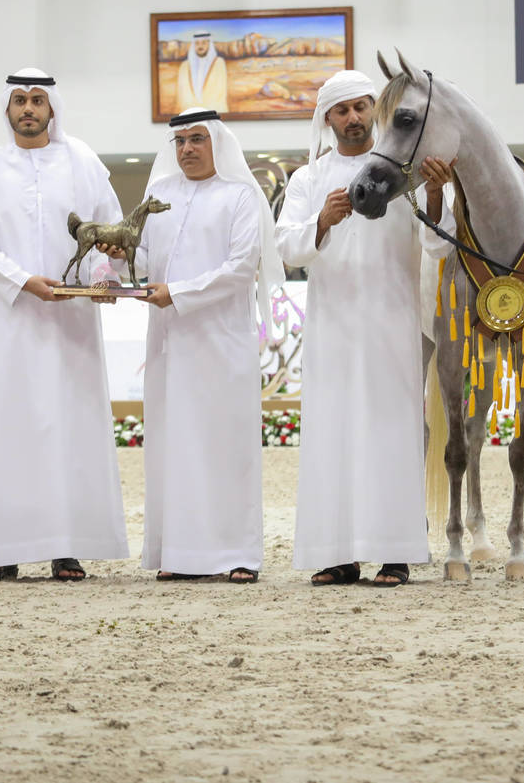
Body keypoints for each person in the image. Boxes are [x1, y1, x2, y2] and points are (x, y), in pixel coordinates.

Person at [276, 71, 454, 587]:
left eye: (361, 107)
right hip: (332, 331)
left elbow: (438, 244)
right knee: (332, 435)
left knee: (391, 435)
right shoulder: (308, 179)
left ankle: (394, 553)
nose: (353, 118)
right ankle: (338, 555)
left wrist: (436, 194)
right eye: (342, 110)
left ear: (376, 110)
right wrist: (322, 222)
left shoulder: (404, 173)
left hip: (392, 326)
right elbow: (286, 247)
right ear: (327, 118)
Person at [0, 69, 129, 582]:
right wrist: (23, 281)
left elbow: (111, 232)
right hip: (8, 317)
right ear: (7, 109)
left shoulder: (83, 161)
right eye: (19, 100)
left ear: (52, 108)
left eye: (37, 99)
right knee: (8, 428)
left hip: (70, 322)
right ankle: (0, 548)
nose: (28, 108)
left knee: (68, 427)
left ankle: (66, 545)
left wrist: (104, 274)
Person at [134, 109, 284, 583]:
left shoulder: (240, 195)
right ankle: (179, 554)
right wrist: (119, 260)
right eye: (179, 141)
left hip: (221, 344)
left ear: (217, 141)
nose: (187, 149)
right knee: (173, 446)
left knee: (224, 446)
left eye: (197, 139)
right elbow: (142, 260)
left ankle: (237, 555)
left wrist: (177, 293)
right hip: (168, 344)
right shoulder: (158, 195)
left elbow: (241, 267)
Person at [174, 31, 228, 113]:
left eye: (203, 43)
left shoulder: (219, 63)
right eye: (197, 43)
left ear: (209, 44)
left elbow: (220, 93)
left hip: (212, 113)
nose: (200, 46)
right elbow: (181, 96)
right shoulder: (184, 66)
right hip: (189, 115)